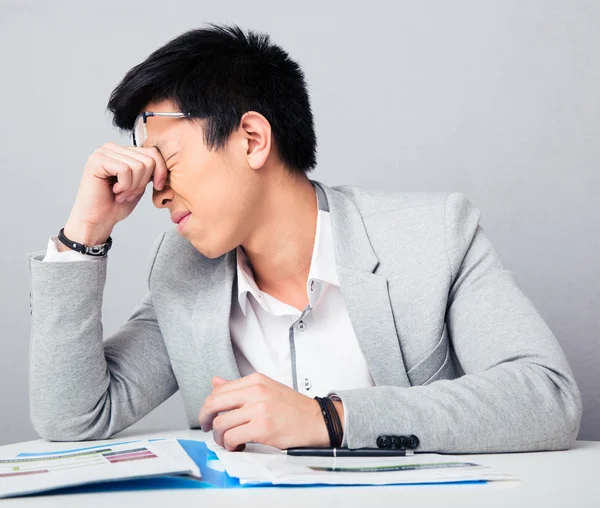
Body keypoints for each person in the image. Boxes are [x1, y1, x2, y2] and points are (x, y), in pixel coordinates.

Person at [27, 24, 582, 453]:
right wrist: (85, 235)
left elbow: (547, 396)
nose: (157, 193)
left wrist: (329, 417)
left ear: (251, 139)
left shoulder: (434, 237)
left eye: (166, 161)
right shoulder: (183, 276)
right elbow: (73, 416)